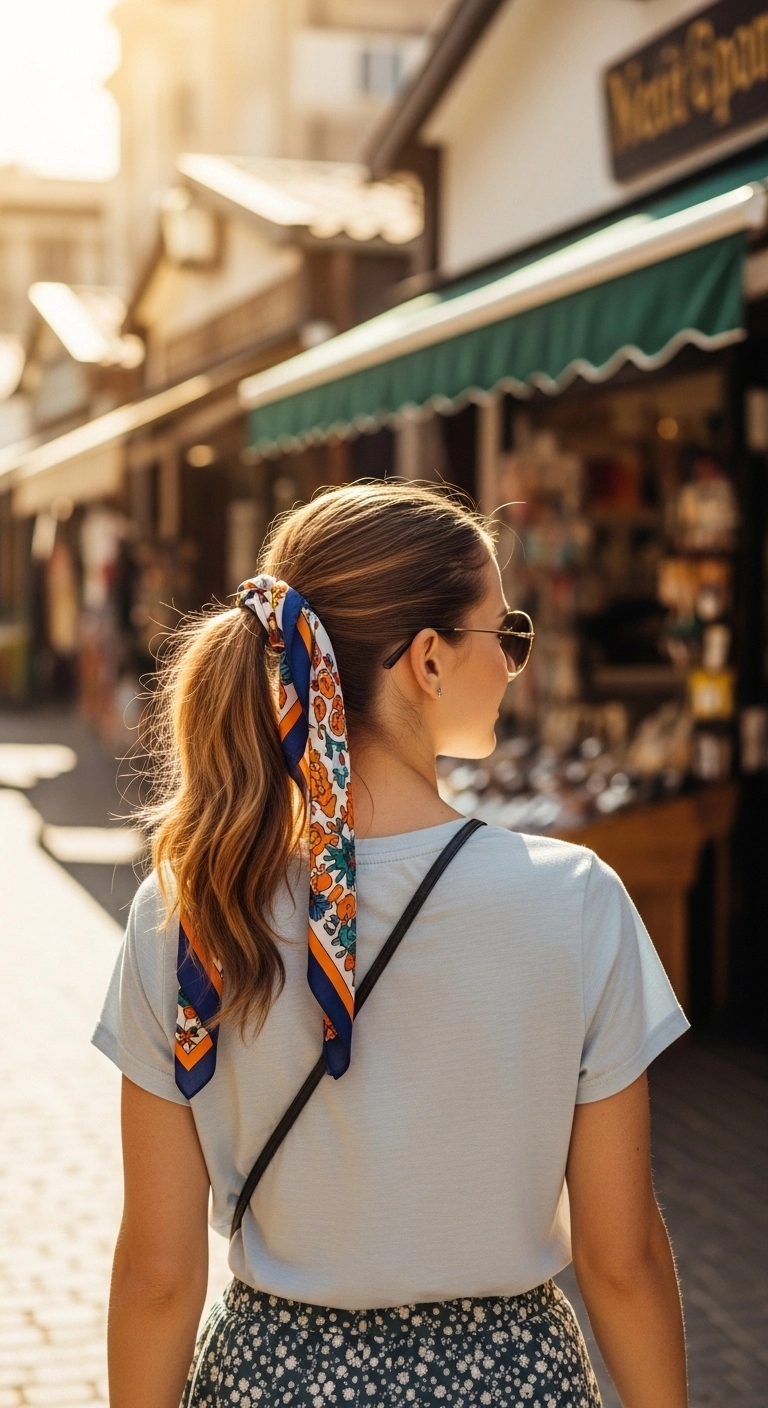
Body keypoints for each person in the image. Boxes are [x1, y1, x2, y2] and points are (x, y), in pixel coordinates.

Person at [94, 481, 689, 1408]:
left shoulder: (188, 910)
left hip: (270, 1379)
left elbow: (160, 1275)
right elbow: (621, 1260)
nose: (515, 662)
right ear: (429, 661)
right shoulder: (573, 904)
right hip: (508, 1380)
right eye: (506, 634)